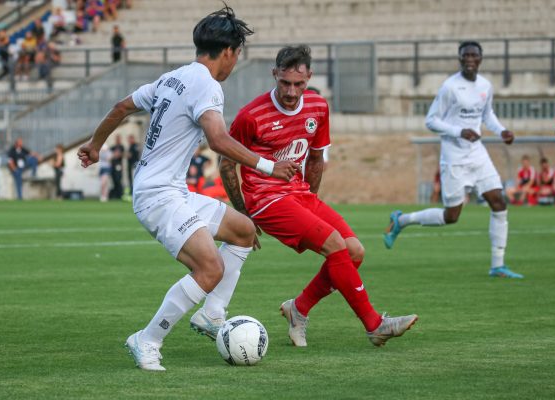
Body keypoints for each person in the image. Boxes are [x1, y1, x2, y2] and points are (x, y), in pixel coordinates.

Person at [77, 5, 298, 371]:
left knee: (243, 231)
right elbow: (217, 138)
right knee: (209, 269)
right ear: (229, 52)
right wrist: (269, 166)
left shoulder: (172, 78)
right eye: (237, 54)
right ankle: (147, 339)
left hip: (169, 191)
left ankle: (212, 314)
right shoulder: (206, 85)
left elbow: (120, 107)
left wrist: (94, 144)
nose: (234, 63)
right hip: (158, 197)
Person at [209, 45, 418, 348]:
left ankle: (299, 308)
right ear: (274, 75)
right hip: (266, 199)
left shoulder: (318, 107)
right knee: (335, 245)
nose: (291, 92)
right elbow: (227, 163)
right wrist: (245, 215)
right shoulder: (251, 115)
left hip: (300, 195)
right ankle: (375, 325)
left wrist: (310, 201)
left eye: (299, 84)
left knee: (355, 251)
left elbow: (316, 158)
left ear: (309, 78)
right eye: (284, 83)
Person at [384, 41, 523, 279]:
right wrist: (460, 132)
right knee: (452, 216)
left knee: (498, 202)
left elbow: (487, 114)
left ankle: (497, 265)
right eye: (465, 55)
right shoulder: (450, 87)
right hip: (454, 157)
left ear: (480, 59)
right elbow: (431, 120)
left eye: (474, 55)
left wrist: (502, 131)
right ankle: (402, 220)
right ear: (460, 59)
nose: (470, 59)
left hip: (477, 154)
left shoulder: (485, 86)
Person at [109, 134, 124, 199]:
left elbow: (121, 155)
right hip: (113, 166)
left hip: (119, 166)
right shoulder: (112, 147)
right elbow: (111, 156)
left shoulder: (122, 147)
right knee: (114, 180)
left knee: (118, 180)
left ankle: (120, 194)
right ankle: (115, 195)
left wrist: (117, 154)